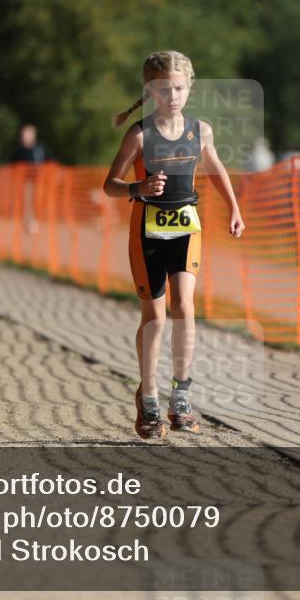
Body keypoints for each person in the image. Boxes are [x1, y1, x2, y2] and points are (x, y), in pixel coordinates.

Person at [104, 50, 245, 440]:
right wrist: (138, 188)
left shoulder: (200, 131)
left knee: (185, 306)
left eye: (180, 88)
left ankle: (180, 395)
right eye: (164, 89)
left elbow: (215, 168)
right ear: (150, 91)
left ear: (189, 88)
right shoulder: (139, 134)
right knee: (156, 318)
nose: (173, 96)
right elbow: (109, 185)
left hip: (186, 230)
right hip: (147, 233)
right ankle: (148, 397)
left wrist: (234, 208)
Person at [11, 124, 50, 233]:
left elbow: (49, 159)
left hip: (40, 179)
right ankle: (28, 222)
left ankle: (36, 221)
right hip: (26, 181)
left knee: (38, 200)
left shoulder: (41, 148)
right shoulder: (20, 150)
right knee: (27, 202)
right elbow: (15, 163)